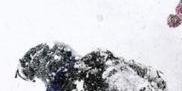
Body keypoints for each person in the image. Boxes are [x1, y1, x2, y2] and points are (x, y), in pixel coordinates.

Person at [15, 42, 167, 91]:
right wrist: (151, 75)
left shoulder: (62, 79)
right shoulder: (93, 59)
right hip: (99, 69)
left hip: (93, 75)